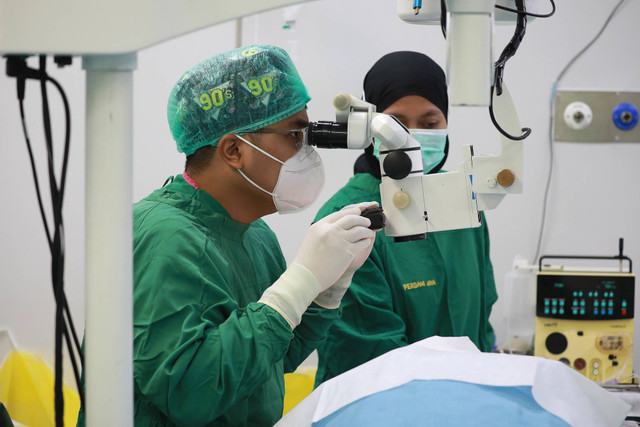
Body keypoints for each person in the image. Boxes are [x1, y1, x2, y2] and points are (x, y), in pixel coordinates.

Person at [76, 45, 377, 426]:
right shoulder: (165, 238)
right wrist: (296, 286)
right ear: (234, 150)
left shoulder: (256, 235)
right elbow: (189, 393)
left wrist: (326, 290)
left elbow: (271, 359)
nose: (307, 152)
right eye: (294, 136)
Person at [313, 51, 498, 386]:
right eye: (396, 125)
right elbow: (367, 354)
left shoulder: (466, 206)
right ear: (371, 127)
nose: (412, 137)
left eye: (430, 124)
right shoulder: (349, 219)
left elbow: (481, 321)